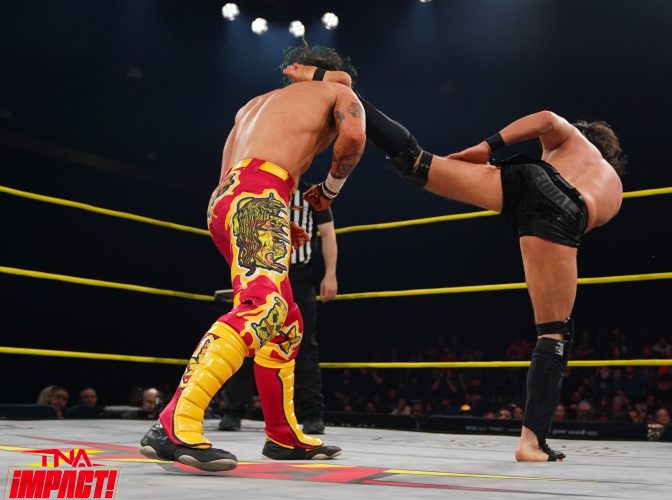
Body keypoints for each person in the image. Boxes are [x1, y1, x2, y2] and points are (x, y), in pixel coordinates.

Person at [283, 63, 626, 462]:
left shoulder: (571, 142)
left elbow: (547, 119)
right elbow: (564, 220)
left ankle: (344, 92)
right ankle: (532, 442)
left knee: (416, 162)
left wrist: (487, 147)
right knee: (554, 334)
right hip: (563, 212)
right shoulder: (614, 185)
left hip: (528, 179)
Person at [139, 45, 365, 471]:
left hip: (227, 201)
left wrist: (274, 219)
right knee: (264, 307)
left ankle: (282, 436)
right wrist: (328, 191)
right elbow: (353, 139)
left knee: (287, 323)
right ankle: (175, 421)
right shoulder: (338, 91)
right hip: (260, 196)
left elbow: (231, 178)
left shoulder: (252, 106)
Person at [217, 179, 339, 435]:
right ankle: (233, 410)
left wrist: (330, 274)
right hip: (261, 273)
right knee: (247, 337)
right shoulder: (261, 186)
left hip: (299, 276)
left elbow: (328, 233)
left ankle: (312, 413)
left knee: (303, 342)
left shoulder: (313, 194)